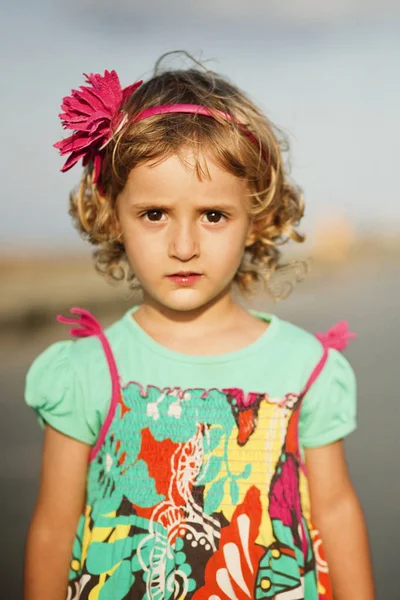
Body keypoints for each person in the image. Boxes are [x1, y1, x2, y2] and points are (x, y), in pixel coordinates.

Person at [24, 53, 375, 600]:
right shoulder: (89, 371)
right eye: (154, 214)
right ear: (113, 213)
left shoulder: (306, 370)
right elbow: (53, 528)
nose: (183, 247)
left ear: (256, 217)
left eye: (213, 215)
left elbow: (335, 511)